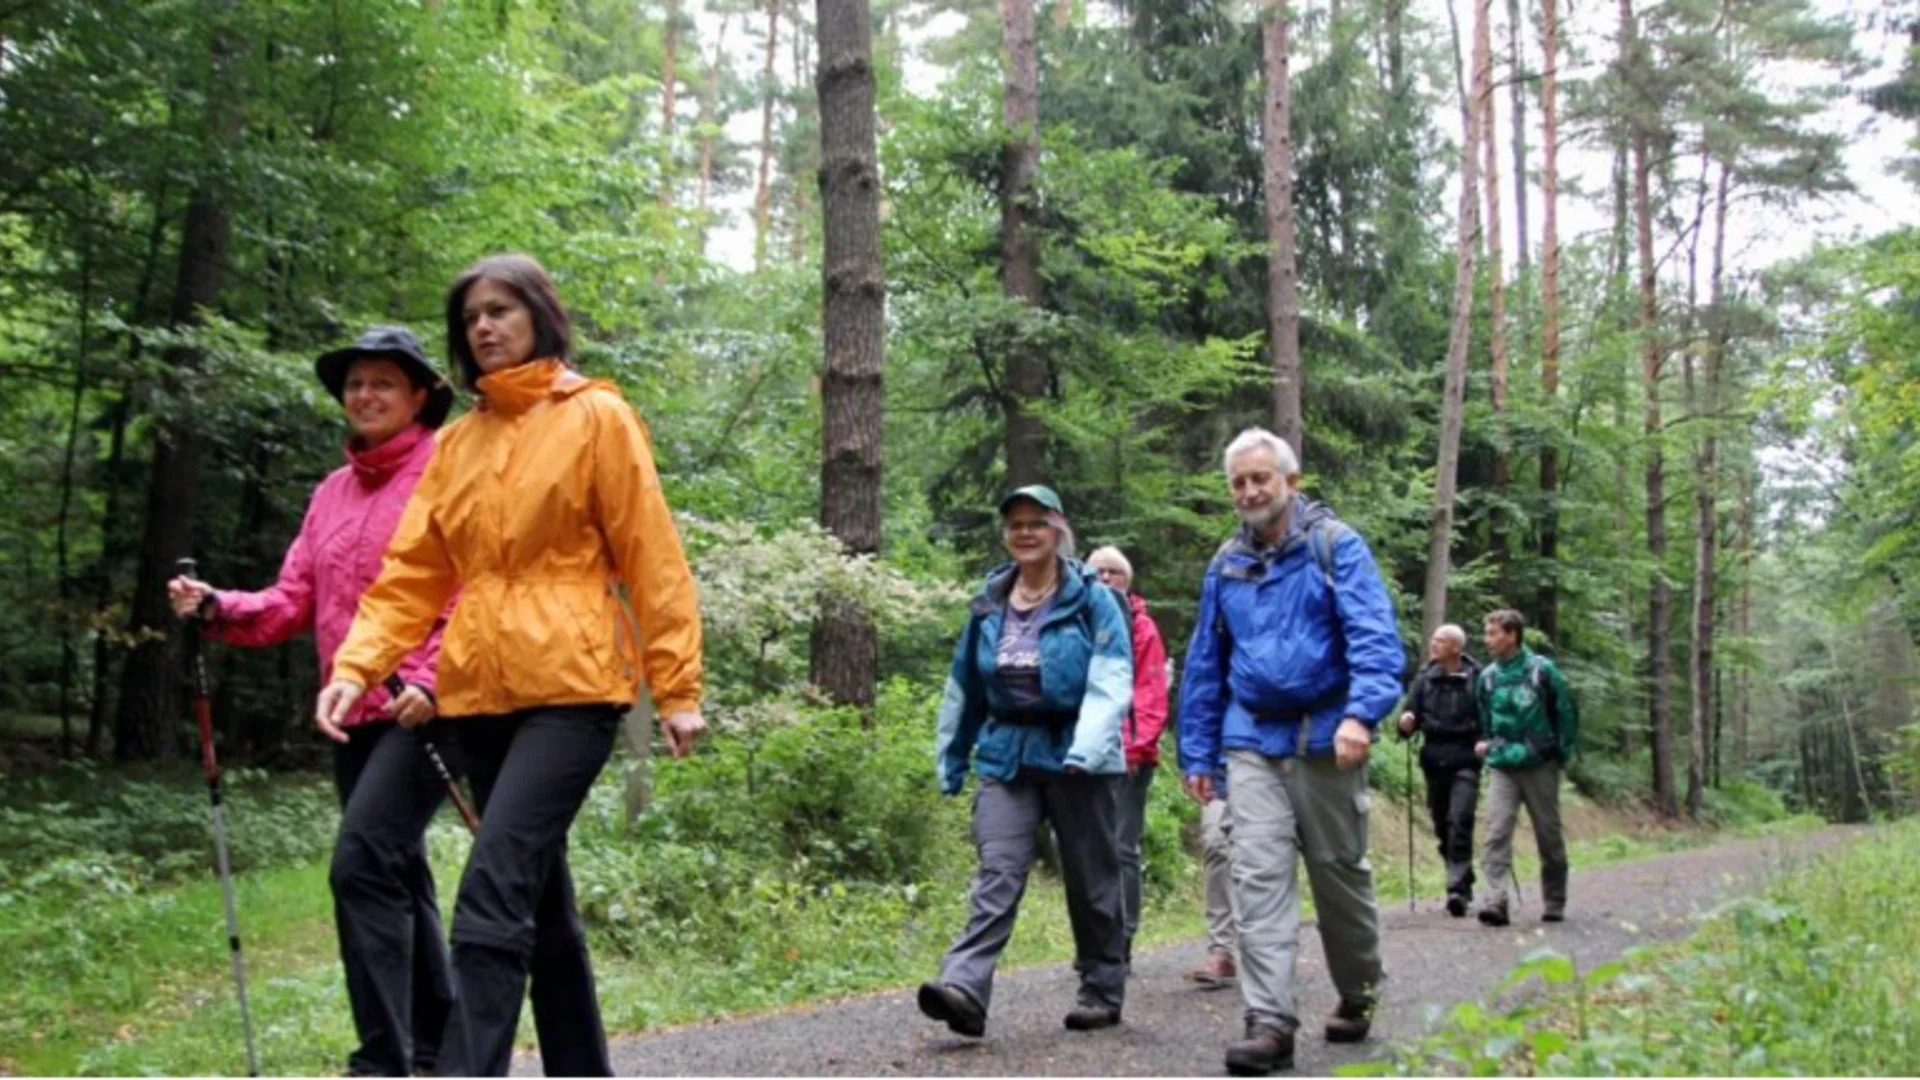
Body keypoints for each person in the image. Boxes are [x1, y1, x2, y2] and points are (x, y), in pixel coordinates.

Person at [316, 253, 707, 1080]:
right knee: (543, 907)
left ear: (538, 313)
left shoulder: (597, 415)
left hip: (576, 689)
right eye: (470, 318)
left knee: (492, 893)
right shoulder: (458, 443)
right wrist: (357, 665)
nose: (485, 327)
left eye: (500, 309)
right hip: (478, 693)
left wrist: (676, 690)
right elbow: (413, 574)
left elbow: (652, 554)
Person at [168, 326, 456, 1080]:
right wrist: (217, 608)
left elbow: (470, 588)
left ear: (420, 395)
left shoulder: (447, 474)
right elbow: (295, 598)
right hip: (350, 712)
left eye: (383, 383)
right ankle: (438, 1048)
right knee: (396, 867)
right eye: (355, 384)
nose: (365, 396)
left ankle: (380, 1064)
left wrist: (427, 676)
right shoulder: (332, 491)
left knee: (361, 864)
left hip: (427, 703)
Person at [1179, 428, 1403, 1076]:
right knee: (1257, 878)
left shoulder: (1337, 548)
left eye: (1261, 479)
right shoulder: (1226, 566)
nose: (1250, 491)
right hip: (1250, 740)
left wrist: (1362, 715)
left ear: (1290, 482)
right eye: (1239, 483)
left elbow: (1374, 638)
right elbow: (1205, 664)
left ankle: (1358, 991)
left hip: (1328, 739)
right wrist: (1198, 751)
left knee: (1339, 874)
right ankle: (1270, 1021)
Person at [920, 485, 1134, 1037]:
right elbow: (964, 684)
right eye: (1015, 524)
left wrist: (1087, 747)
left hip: (1077, 756)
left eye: (1035, 523)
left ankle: (1101, 986)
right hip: (1006, 750)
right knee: (999, 870)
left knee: (1091, 880)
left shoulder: (1093, 599)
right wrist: (953, 755)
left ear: (1058, 530)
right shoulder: (990, 598)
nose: (1024, 532)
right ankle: (964, 987)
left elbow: (1111, 677)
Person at [1085, 545, 1170, 966]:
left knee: (1121, 847)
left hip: (1130, 753)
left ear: (1127, 579)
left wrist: (1135, 746)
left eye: (1113, 572)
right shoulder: (1078, 619)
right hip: (1085, 753)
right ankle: (1095, 941)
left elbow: (1151, 693)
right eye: (1096, 571)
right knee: (1086, 851)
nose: (1104, 579)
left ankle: (1123, 938)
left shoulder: (1142, 628)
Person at [1473, 609, 1579, 927]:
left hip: (1540, 765)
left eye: (1493, 633)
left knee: (1548, 835)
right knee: (1496, 831)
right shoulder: (1487, 677)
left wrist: (1559, 754)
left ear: (1512, 634)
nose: (1487, 640)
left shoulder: (1543, 671)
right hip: (1503, 765)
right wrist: (1488, 745)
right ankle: (1495, 901)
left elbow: (1566, 713)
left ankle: (1555, 900)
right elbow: (1483, 717)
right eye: (1487, 633)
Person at [1396, 624, 1483, 917]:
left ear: (1456, 647)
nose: (1433, 645)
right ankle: (1463, 874)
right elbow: (1410, 715)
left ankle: (1456, 887)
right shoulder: (1425, 677)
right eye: (1433, 639)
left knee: (1460, 820)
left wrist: (1487, 741)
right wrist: (1406, 721)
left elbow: (1488, 717)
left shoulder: (1477, 677)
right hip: (1434, 758)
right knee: (1442, 824)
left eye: (1440, 641)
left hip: (1466, 757)